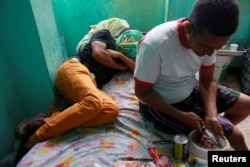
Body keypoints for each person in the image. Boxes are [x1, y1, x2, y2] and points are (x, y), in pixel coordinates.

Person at [134, 0, 250, 151]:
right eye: (206, 47)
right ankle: (217, 141)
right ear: (189, 28)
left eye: (217, 47)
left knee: (246, 105)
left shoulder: (208, 40)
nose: (210, 53)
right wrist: (182, 116)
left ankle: (213, 134)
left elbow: (207, 81)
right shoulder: (155, 45)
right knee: (237, 137)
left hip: (191, 90)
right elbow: (142, 93)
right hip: (160, 104)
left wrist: (212, 115)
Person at [14, 29, 137, 164]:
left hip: (90, 84)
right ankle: (34, 138)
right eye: (128, 37)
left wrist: (120, 56)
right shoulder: (105, 35)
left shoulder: (122, 59)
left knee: (111, 111)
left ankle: (49, 119)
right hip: (75, 69)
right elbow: (97, 54)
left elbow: (136, 69)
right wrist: (119, 63)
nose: (129, 42)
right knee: (93, 102)